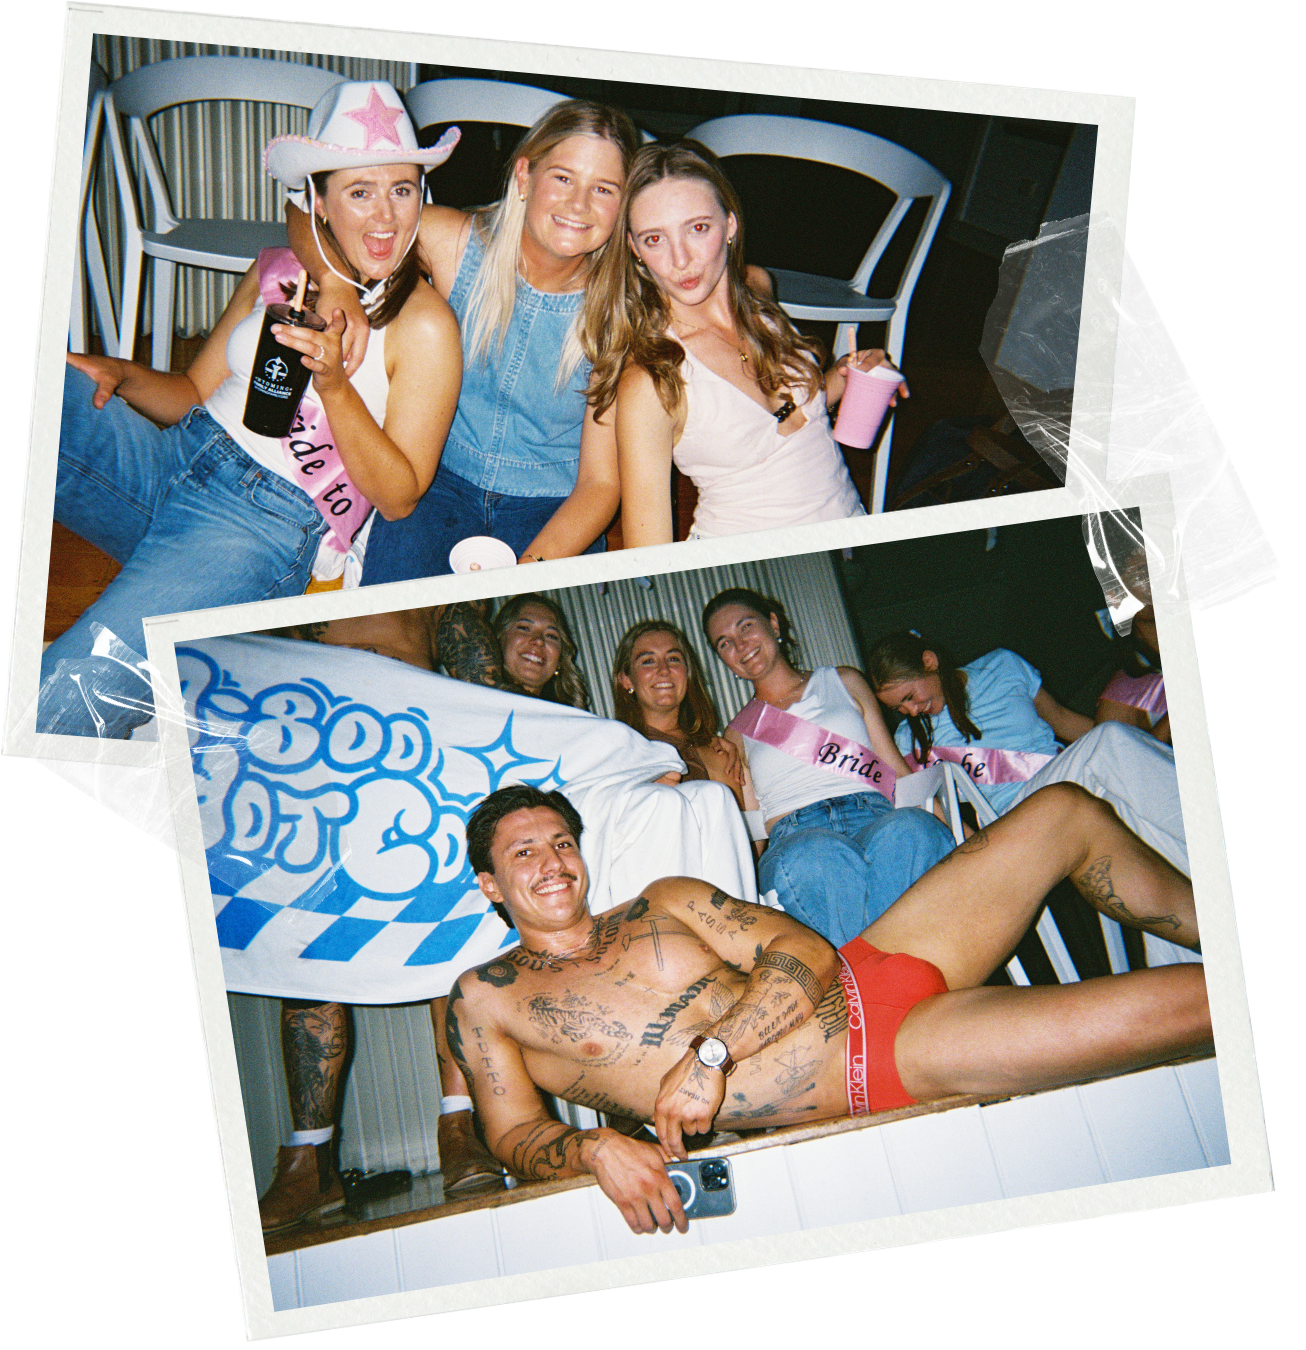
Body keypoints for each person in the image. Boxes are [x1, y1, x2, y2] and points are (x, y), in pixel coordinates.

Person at [448, 783, 1209, 1236]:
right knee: (1196, 1007)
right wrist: (595, 1150)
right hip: (879, 1061)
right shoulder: (486, 997)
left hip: (872, 965)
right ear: (489, 884)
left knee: (1062, 811)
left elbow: (807, 954)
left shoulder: (663, 900)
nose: (552, 863)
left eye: (560, 842)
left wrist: (711, 1055)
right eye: (524, 854)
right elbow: (510, 1130)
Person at [40, 81, 463, 739]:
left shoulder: (425, 324)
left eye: (402, 189)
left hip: (262, 527)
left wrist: (334, 386)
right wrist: (120, 375)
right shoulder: (281, 268)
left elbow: (401, 495)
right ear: (317, 199)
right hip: (179, 455)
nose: (386, 216)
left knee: (74, 688)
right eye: (360, 191)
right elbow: (188, 391)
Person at [287, 99, 642, 580]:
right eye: (562, 178)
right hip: (438, 484)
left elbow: (600, 486)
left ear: (624, 206)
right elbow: (301, 210)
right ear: (524, 176)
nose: (578, 204)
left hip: (553, 505)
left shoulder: (622, 309)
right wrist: (336, 285)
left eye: (603, 189)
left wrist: (527, 572)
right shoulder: (455, 242)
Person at [585, 141, 903, 545]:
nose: (680, 260)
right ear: (634, 249)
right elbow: (650, 554)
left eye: (698, 228)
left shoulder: (757, 289)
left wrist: (848, 374)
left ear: (730, 225)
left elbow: (786, 420)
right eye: (654, 239)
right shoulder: (650, 379)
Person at [701, 589, 955, 947]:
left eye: (746, 627)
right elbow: (753, 829)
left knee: (913, 830)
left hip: (875, 816)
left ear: (773, 623)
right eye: (724, 643)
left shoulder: (845, 681)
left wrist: (963, 830)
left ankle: (868, 981)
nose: (740, 646)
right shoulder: (737, 731)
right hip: (797, 836)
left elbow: (897, 773)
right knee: (817, 858)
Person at [867, 630, 1187, 873]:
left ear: (929, 662)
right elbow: (927, 807)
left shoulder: (1003, 665)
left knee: (1153, 846)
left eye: (909, 696)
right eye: (899, 707)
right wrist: (981, 851)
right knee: (1113, 741)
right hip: (1023, 816)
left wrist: (1135, 749)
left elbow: (1062, 719)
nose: (910, 711)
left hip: (1076, 781)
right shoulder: (909, 738)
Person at [610, 619, 743, 804]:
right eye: (647, 661)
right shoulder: (614, 754)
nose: (664, 670)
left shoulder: (717, 753)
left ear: (687, 674)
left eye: (673, 659)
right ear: (626, 680)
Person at [494, 593, 591, 708]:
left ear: (560, 660)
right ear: (500, 638)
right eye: (525, 628)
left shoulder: (571, 719)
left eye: (551, 636)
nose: (539, 640)